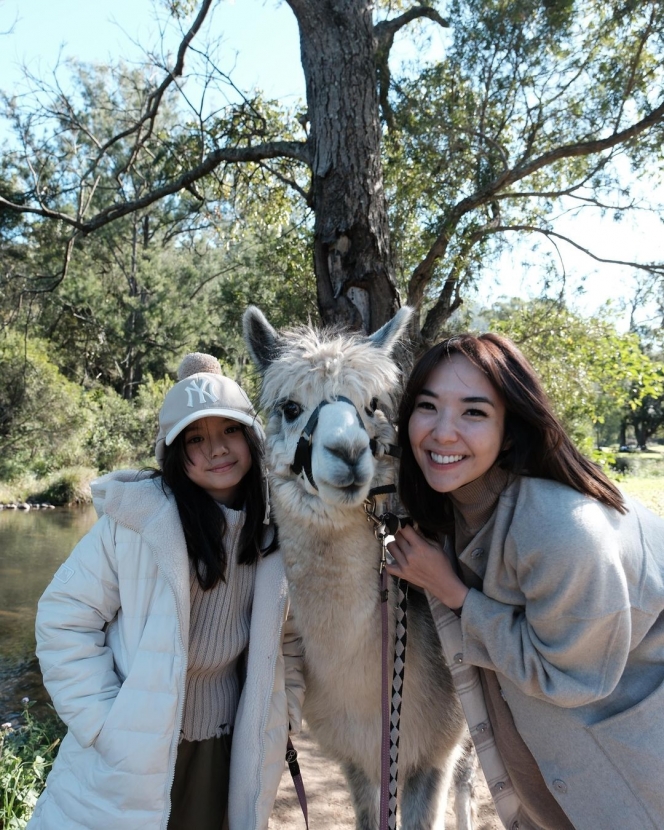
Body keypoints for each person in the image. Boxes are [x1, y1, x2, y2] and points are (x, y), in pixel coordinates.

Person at [386, 333, 664, 830]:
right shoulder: (457, 513)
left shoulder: (562, 532)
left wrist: (453, 592)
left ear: (510, 431)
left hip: (630, 789)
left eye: (473, 412)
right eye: (427, 407)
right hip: (556, 793)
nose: (442, 432)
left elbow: (571, 677)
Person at [28, 353, 304, 830]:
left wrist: (284, 719)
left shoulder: (275, 534)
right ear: (174, 452)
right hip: (136, 749)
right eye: (196, 438)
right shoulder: (137, 524)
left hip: (228, 746)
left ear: (253, 438)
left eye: (230, 431)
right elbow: (62, 620)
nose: (217, 449)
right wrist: (105, 724)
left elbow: (293, 641)